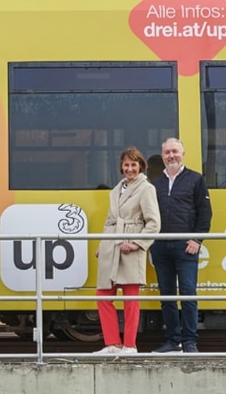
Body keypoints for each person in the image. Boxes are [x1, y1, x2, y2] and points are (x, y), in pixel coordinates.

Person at [94, 147, 160, 355]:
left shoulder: (146, 188)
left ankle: (130, 345)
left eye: (134, 165)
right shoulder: (116, 190)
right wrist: (102, 245)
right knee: (103, 295)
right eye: (126, 165)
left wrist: (137, 243)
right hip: (112, 245)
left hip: (130, 247)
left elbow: (153, 222)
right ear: (121, 167)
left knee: (131, 299)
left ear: (141, 166)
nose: (130, 169)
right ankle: (112, 343)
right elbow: (109, 219)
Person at [150, 138, 212, 354]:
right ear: (162, 156)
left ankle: (189, 341)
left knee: (187, 294)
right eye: (167, 152)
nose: (171, 156)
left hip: (186, 247)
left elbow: (205, 213)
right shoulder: (154, 184)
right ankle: (172, 340)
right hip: (160, 247)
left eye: (174, 151)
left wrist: (197, 239)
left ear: (183, 153)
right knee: (166, 296)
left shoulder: (196, 180)